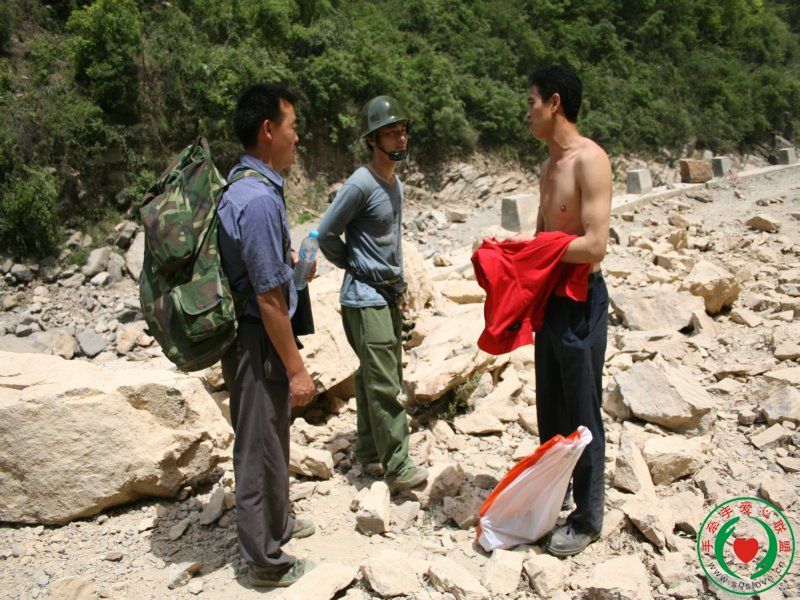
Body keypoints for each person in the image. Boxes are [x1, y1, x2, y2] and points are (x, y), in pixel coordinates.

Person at [217, 83, 317, 587]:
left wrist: (292, 262)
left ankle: (278, 525)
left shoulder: (253, 186)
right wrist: (297, 369)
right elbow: (268, 299)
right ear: (268, 130)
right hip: (257, 340)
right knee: (258, 444)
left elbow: (265, 271)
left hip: (259, 337)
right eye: (292, 126)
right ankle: (264, 562)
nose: (297, 137)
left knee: (272, 431)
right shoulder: (256, 200)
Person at [517, 65, 612, 556]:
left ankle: (588, 518)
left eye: (531, 102)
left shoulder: (589, 161)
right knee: (550, 407)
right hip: (552, 301)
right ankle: (554, 497)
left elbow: (594, 245)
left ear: (554, 103)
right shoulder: (546, 168)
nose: (526, 113)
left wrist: (540, 250)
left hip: (582, 302)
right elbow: (542, 239)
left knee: (582, 409)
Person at [317, 96, 428, 493]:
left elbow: (390, 242)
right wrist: (353, 264)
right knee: (385, 383)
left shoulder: (395, 184)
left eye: (402, 130)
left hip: (387, 295)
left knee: (371, 376)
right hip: (363, 298)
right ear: (371, 140)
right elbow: (325, 233)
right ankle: (398, 466)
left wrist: (400, 285)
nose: (400, 137)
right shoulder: (360, 184)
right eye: (390, 132)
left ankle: (367, 450)